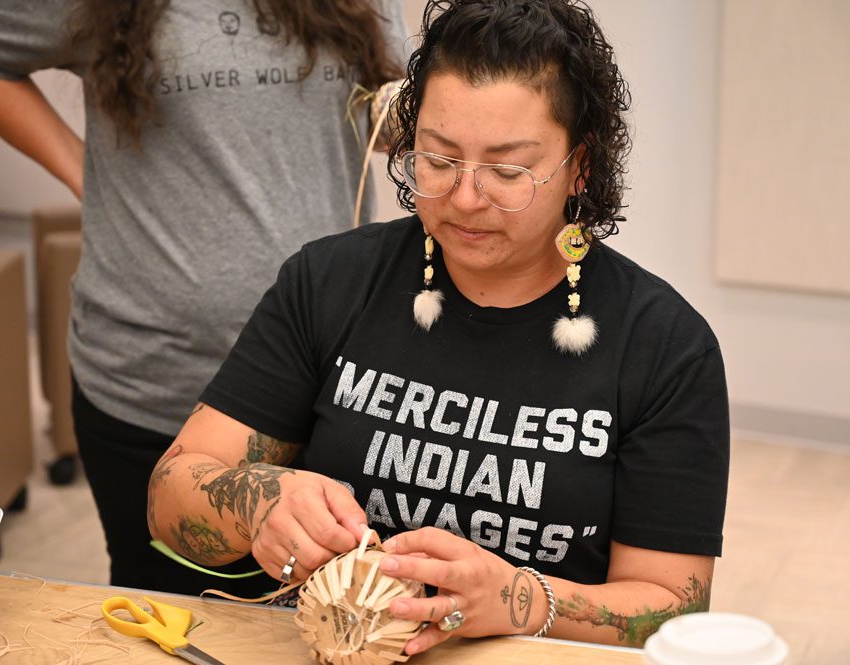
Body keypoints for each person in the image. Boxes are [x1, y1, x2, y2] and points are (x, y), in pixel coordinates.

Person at [149, 0, 729, 651]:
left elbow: (673, 605)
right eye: (439, 158)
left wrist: (517, 598)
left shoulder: (664, 346)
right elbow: (169, 497)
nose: (465, 197)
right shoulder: (330, 283)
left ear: (581, 166)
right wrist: (255, 501)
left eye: (508, 170)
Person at [0, 0, 407, 595]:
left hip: (322, 379)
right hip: (153, 375)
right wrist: (82, 170)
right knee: (164, 608)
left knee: (329, 617)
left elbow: (385, 122)